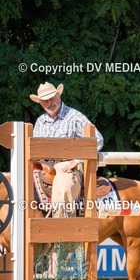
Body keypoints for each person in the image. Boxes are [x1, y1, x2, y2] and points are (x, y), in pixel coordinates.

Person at [30, 82, 104, 217]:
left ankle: (62, 225)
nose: (49, 103)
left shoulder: (74, 116)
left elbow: (98, 140)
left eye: (51, 98)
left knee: (63, 189)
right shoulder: (41, 121)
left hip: (67, 164)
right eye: (44, 101)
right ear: (40, 103)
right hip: (43, 165)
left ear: (58, 96)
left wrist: (77, 160)